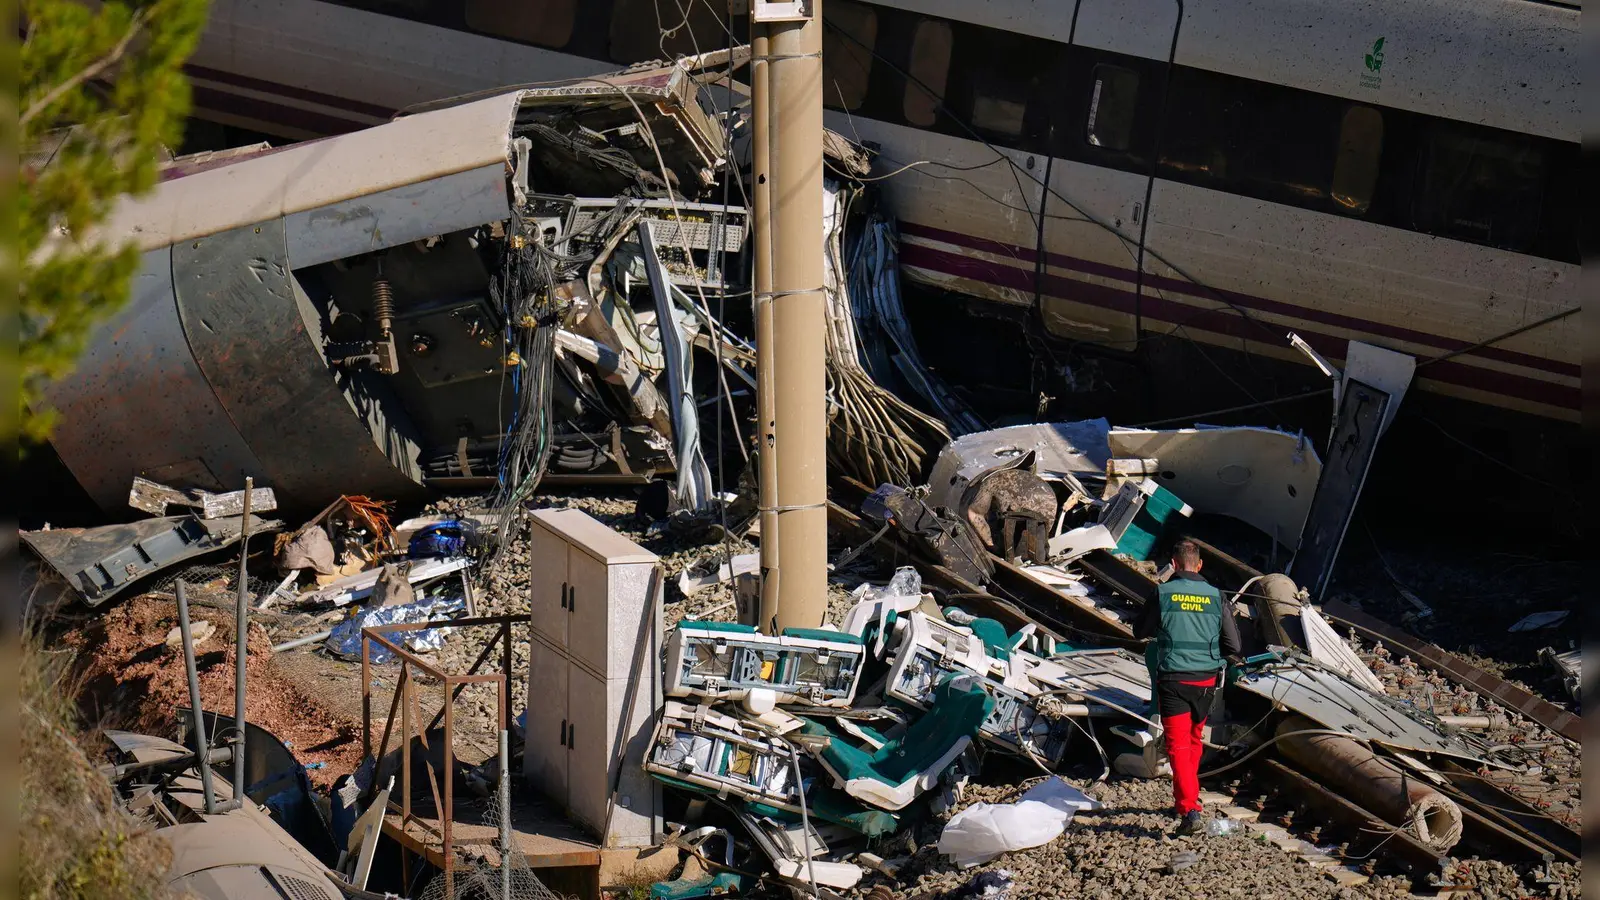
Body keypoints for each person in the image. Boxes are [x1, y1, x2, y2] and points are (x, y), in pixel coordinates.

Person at [1133, 538, 1242, 835]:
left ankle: (1189, 809)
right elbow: (1234, 645)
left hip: (1174, 680)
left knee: (1178, 745)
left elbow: (1139, 631)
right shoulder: (1217, 596)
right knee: (1193, 739)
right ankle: (1190, 798)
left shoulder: (1163, 593)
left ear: (1174, 564)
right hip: (1206, 681)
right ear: (1200, 565)